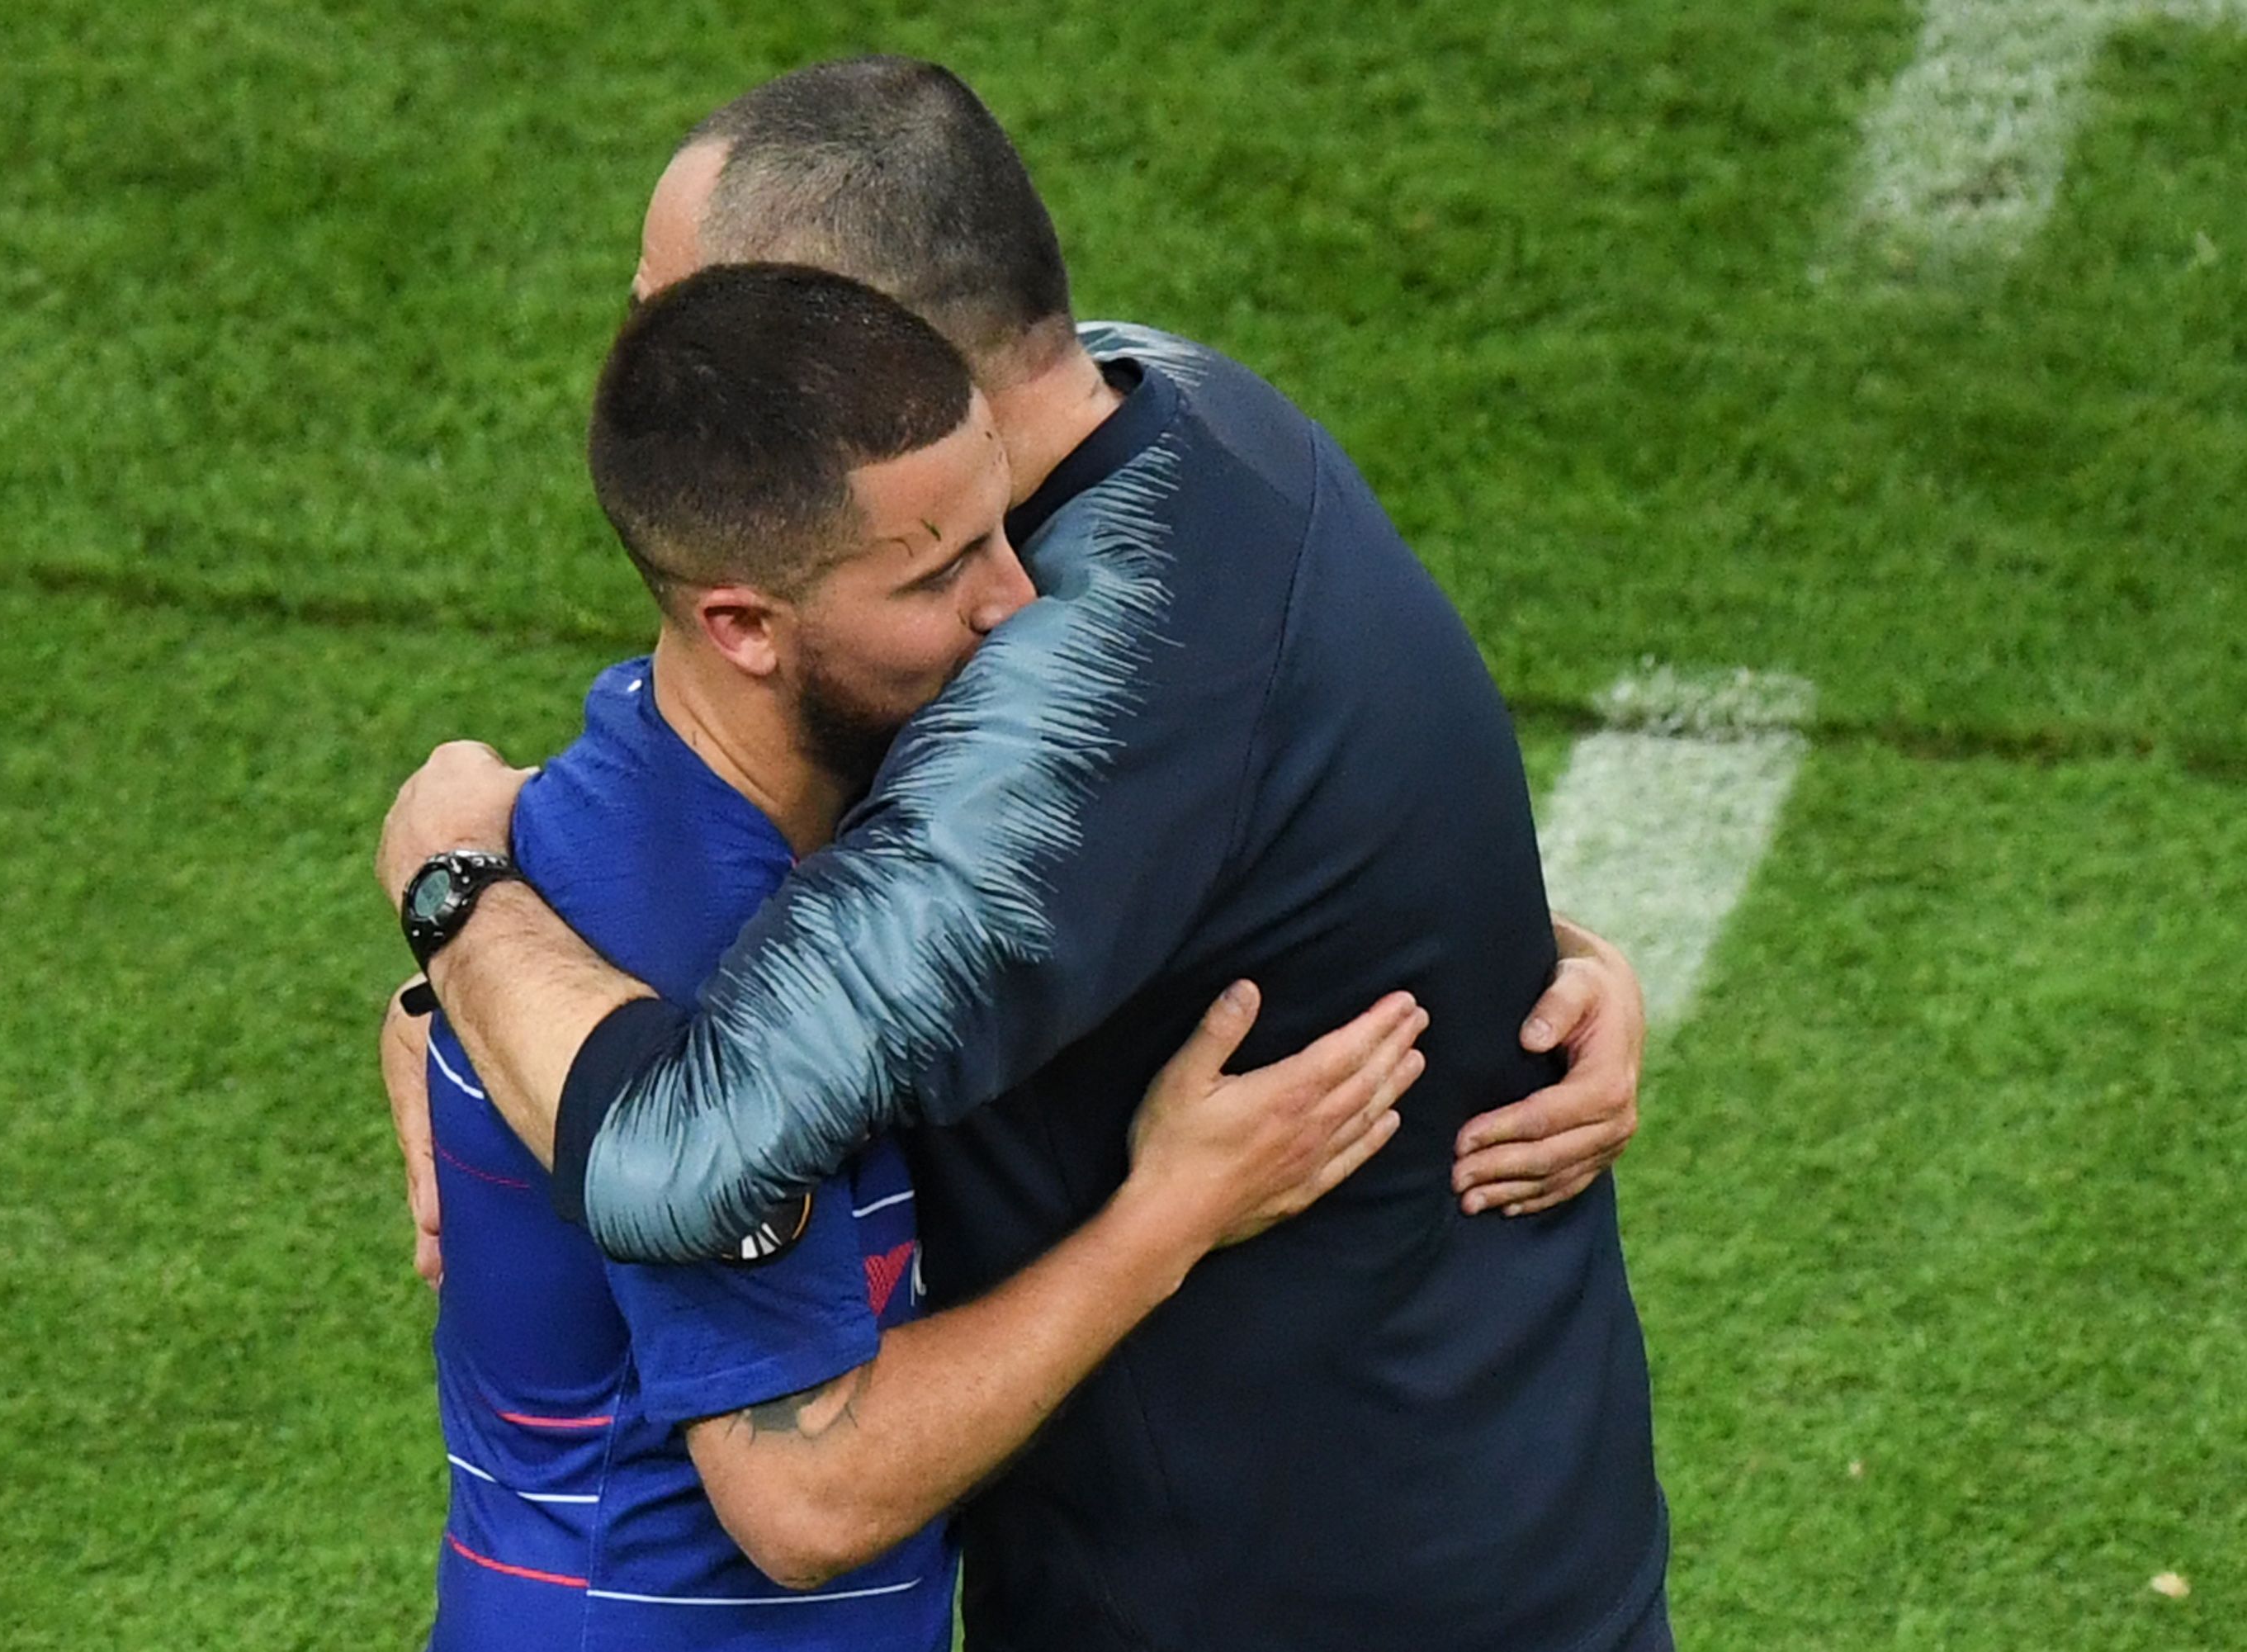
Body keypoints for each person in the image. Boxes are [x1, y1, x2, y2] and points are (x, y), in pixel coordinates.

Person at [380, 58, 1670, 1651]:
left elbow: (672, 1157)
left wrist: (455, 894)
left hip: (1287, 1574)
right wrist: (1497, 942)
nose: (652, 366)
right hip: (1473, 1491)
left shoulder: (1056, 672)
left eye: (679, 312)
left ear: (879, 351)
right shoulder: (1176, 399)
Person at [393, 263, 1428, 1651]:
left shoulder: (805, 787)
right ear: (744, 625)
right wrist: (1171, 1209)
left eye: (1002, 527)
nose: (1017, 598)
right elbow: (805, 1493)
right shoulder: (683, 953)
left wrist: (1529, 940)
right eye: (940, 573)